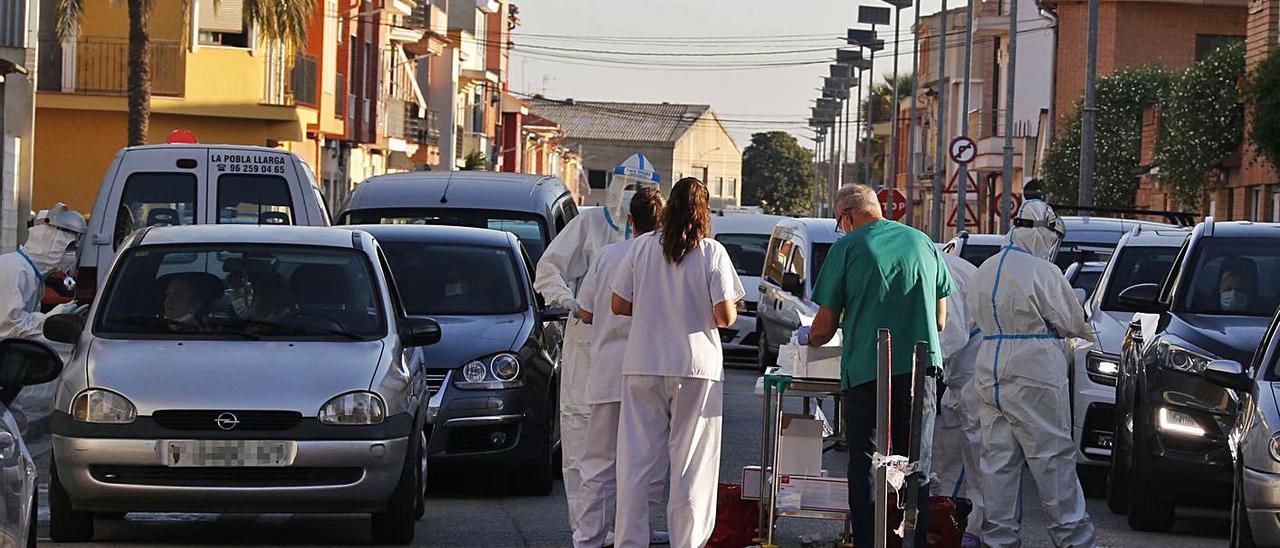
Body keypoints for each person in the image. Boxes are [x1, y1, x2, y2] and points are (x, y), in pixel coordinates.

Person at [799, 183, 953, 548]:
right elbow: (941, 320)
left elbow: (823, 327)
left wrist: (807, 338)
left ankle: (869, 542)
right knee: (916, 465)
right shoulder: (923, 243)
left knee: (867, 462)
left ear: (848, 216)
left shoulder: (848, 248)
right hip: (920, 370)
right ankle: (910, 540)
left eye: (840, 222)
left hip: (868, 369)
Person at [610, 177, 743, 548]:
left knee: (636, 461)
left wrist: (654, 307)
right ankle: (687, 542)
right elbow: (726, 317)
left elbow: (618, 304)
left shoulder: (641, 248)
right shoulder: (711, 251)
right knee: (691, 463)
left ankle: (630, 540)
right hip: (696, 366)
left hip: (642, 361)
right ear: (704, 212)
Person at [535, 153, 661, 532]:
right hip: (589, 346)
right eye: (628, 188)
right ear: (615, 187)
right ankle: (587, 527)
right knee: (581, 440)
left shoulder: (657, 241)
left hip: (635, 352)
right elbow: (549, 267)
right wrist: (565, 300)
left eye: (642, 190)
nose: (632, 196)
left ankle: (627, 526)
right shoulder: (588, 223)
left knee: (635, 446)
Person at [965, 200, 1097, 548]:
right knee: (1051, 456)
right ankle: (1075, 540)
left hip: (989, 361)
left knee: (998, 461)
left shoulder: (986, 268)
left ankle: (999, 539)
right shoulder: (1043, 272)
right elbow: (1073, 322)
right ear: (1042, 233)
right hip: (1034, 364)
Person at [573, 187, 669, 547]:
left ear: (630, 220)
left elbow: (586, 311)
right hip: (652, 372)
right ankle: (638, 530)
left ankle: (588, 537)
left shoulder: (609, 255)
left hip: (609, 370)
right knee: (647, 461)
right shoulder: (672, 258)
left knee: (598, 463)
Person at [930, 252, 984, 546]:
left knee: (974, 451)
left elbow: (951, 335)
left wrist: (920, 367)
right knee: (951, 450)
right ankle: (949, 519)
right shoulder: (933, 262)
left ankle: (973, 529)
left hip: (974, 366)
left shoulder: (937, 272)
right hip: (961, 372)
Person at [0, 202, 86, 340]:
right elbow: (8, 327)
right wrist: (48, 320)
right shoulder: (14, 269)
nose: (72, 254)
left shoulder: (34, 277)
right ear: (50, 241)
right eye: (69, 247)